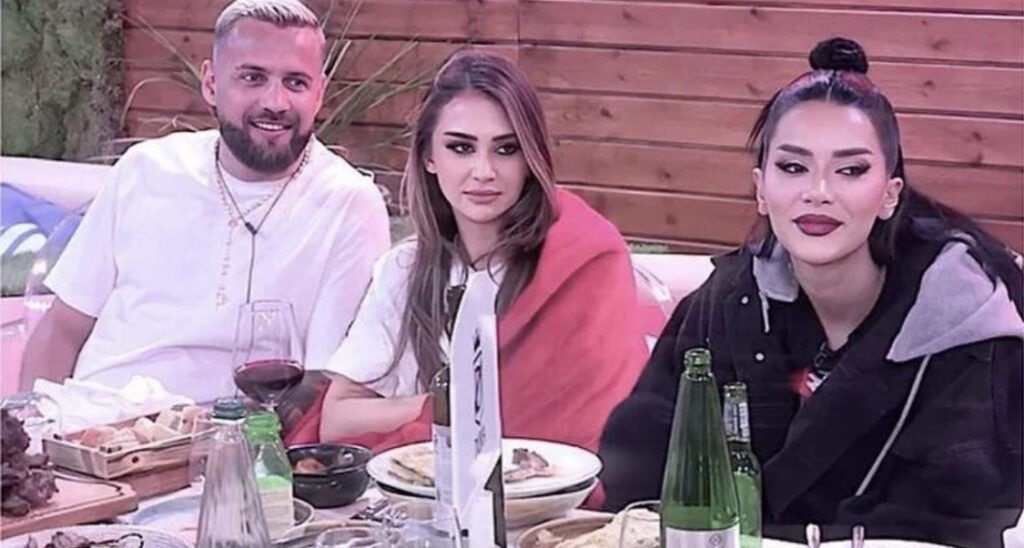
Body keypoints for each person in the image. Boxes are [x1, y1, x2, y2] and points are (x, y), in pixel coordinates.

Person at [599, 38, 1023, 547]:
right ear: (761, 188)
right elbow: (640, 462)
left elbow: (955, 520)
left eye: (851, 170)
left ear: (890, 194)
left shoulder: (970, 322)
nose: (818, 192)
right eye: (793, 167)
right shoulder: (725, 302)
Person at [21, 0, 390, 403]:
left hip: (224, 432)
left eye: (296, 83)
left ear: (319, 94)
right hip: (88, 419)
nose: (275, 102)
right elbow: (62, 329)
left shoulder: (349, 204)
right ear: (211, 84)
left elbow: (322, 387)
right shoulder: (145, 169)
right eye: (252, 77)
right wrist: (26, 426)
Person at [285, 50, 650, 455]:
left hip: (558, 490)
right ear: (429, 157)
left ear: (531, 158)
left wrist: (442, 411)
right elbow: (337, 419)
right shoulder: (404, 269)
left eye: (506, 149)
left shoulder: (584, 260)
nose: (483, 172)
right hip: (422, 487)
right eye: (461, 148)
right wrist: (451, 404)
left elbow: (592, 429)